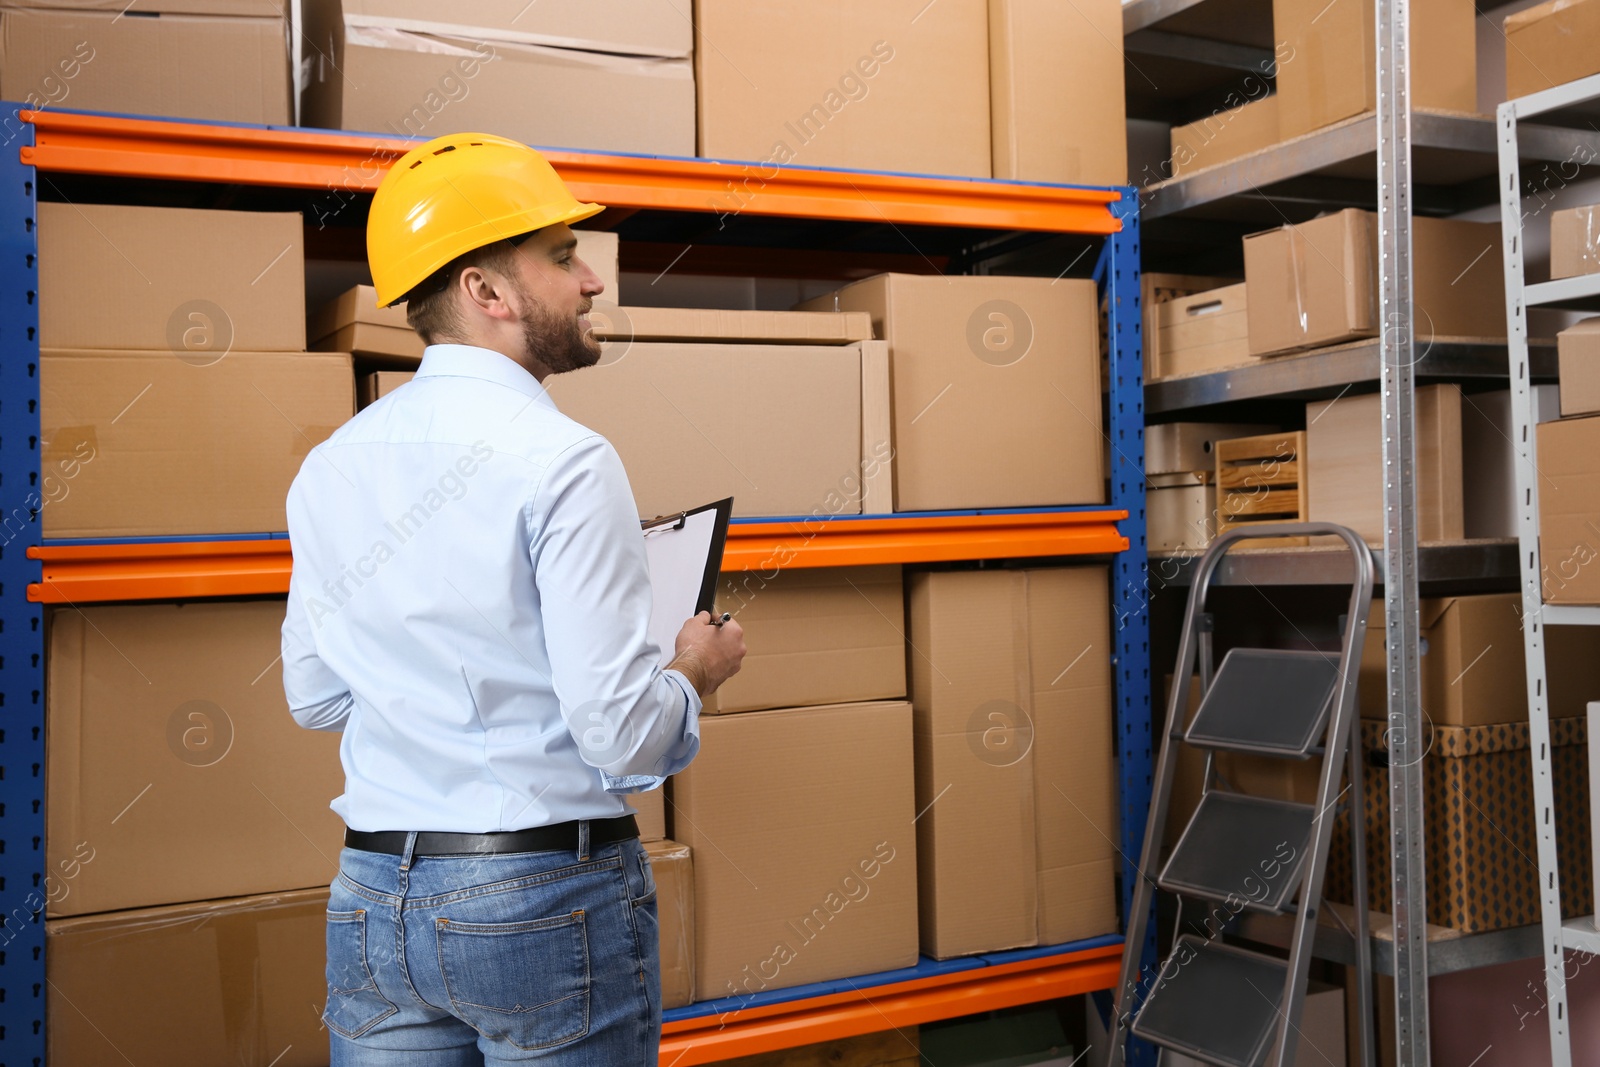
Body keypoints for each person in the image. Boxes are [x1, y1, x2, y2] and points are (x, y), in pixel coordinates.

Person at [281, 131, 746, 1066]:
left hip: (374, 900)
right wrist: (694, 668)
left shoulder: (331, 466)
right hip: (539, 897)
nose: (592, 281)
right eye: (563, 255)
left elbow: (315, 695)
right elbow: (620, 735)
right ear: (485, 293)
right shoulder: (566, 461)